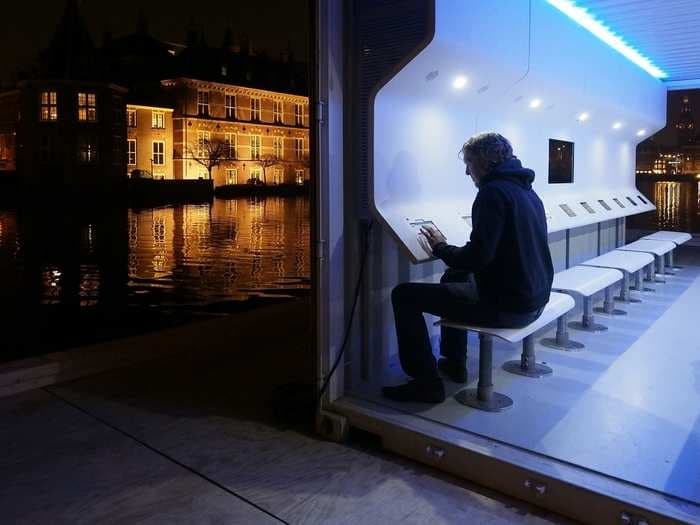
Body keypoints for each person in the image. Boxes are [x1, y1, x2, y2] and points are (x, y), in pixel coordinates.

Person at [382, 132, 554, 403]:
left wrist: (440, 247)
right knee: (455, 275)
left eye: (469, 163)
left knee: (403, 295)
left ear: (485, 162)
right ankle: (453, 362)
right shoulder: (527, 191)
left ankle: (425, 383)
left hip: (509, 307)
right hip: (535, 300)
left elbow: (478, 258)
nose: (466, 171)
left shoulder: (492, 192)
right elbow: (486, 255)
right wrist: (453, 256)